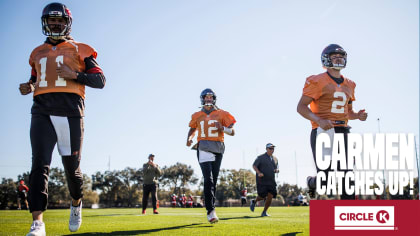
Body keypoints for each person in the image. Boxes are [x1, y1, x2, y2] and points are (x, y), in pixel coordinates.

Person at [19, 3, 106, 236]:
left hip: (70, 112)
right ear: (45, 23)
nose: (55, 24)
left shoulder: (81, 49)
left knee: (72, 172)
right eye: (51, 21)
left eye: (59, 20)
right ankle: (38, 223)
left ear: (67, 23)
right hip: (41, 111)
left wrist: (76, 75)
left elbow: (100, 80)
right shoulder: (36, 52)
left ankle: (76, 202)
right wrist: (29, 86)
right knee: (39, 165)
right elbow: (35, 79)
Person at [297, 44, 367, 200]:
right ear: (326, 59)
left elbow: (348, 112)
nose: (338, 59)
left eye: (341, 57)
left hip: (343, 131)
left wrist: (358, 116)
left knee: (347, 175)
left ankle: (347, 217)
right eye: (334, 57)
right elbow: (301, 107)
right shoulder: (317, 81)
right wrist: (318, 120)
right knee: (325, 178)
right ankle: (313, 182)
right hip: (323, 131)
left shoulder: (350, 84)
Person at [186, 88, 236, 223]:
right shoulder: (197, 115)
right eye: (206, 97)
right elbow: (192, 128)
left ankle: (211, 209)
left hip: (218, 148)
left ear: (214, 99)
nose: (208, 99)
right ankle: (210, 211)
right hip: (203, 147)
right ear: (202, 99)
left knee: (214, 179)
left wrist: (223, 129)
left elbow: (233, 131)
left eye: (210, 97)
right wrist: (190, 138)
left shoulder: (222, 113)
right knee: (208, 179)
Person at [250, 143, 279, 217]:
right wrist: (259, 172)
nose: (272, 150)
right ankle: (254, 201)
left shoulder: (275, 159)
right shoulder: (260, 157)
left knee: (270, 196)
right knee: (263, 196)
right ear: (266, 149)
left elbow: (276, 168)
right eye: (270, 148)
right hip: (262, 180)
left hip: (271, 180)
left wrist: (276, 170)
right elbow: (254, 166)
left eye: (273, 148)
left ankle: (264, 212)